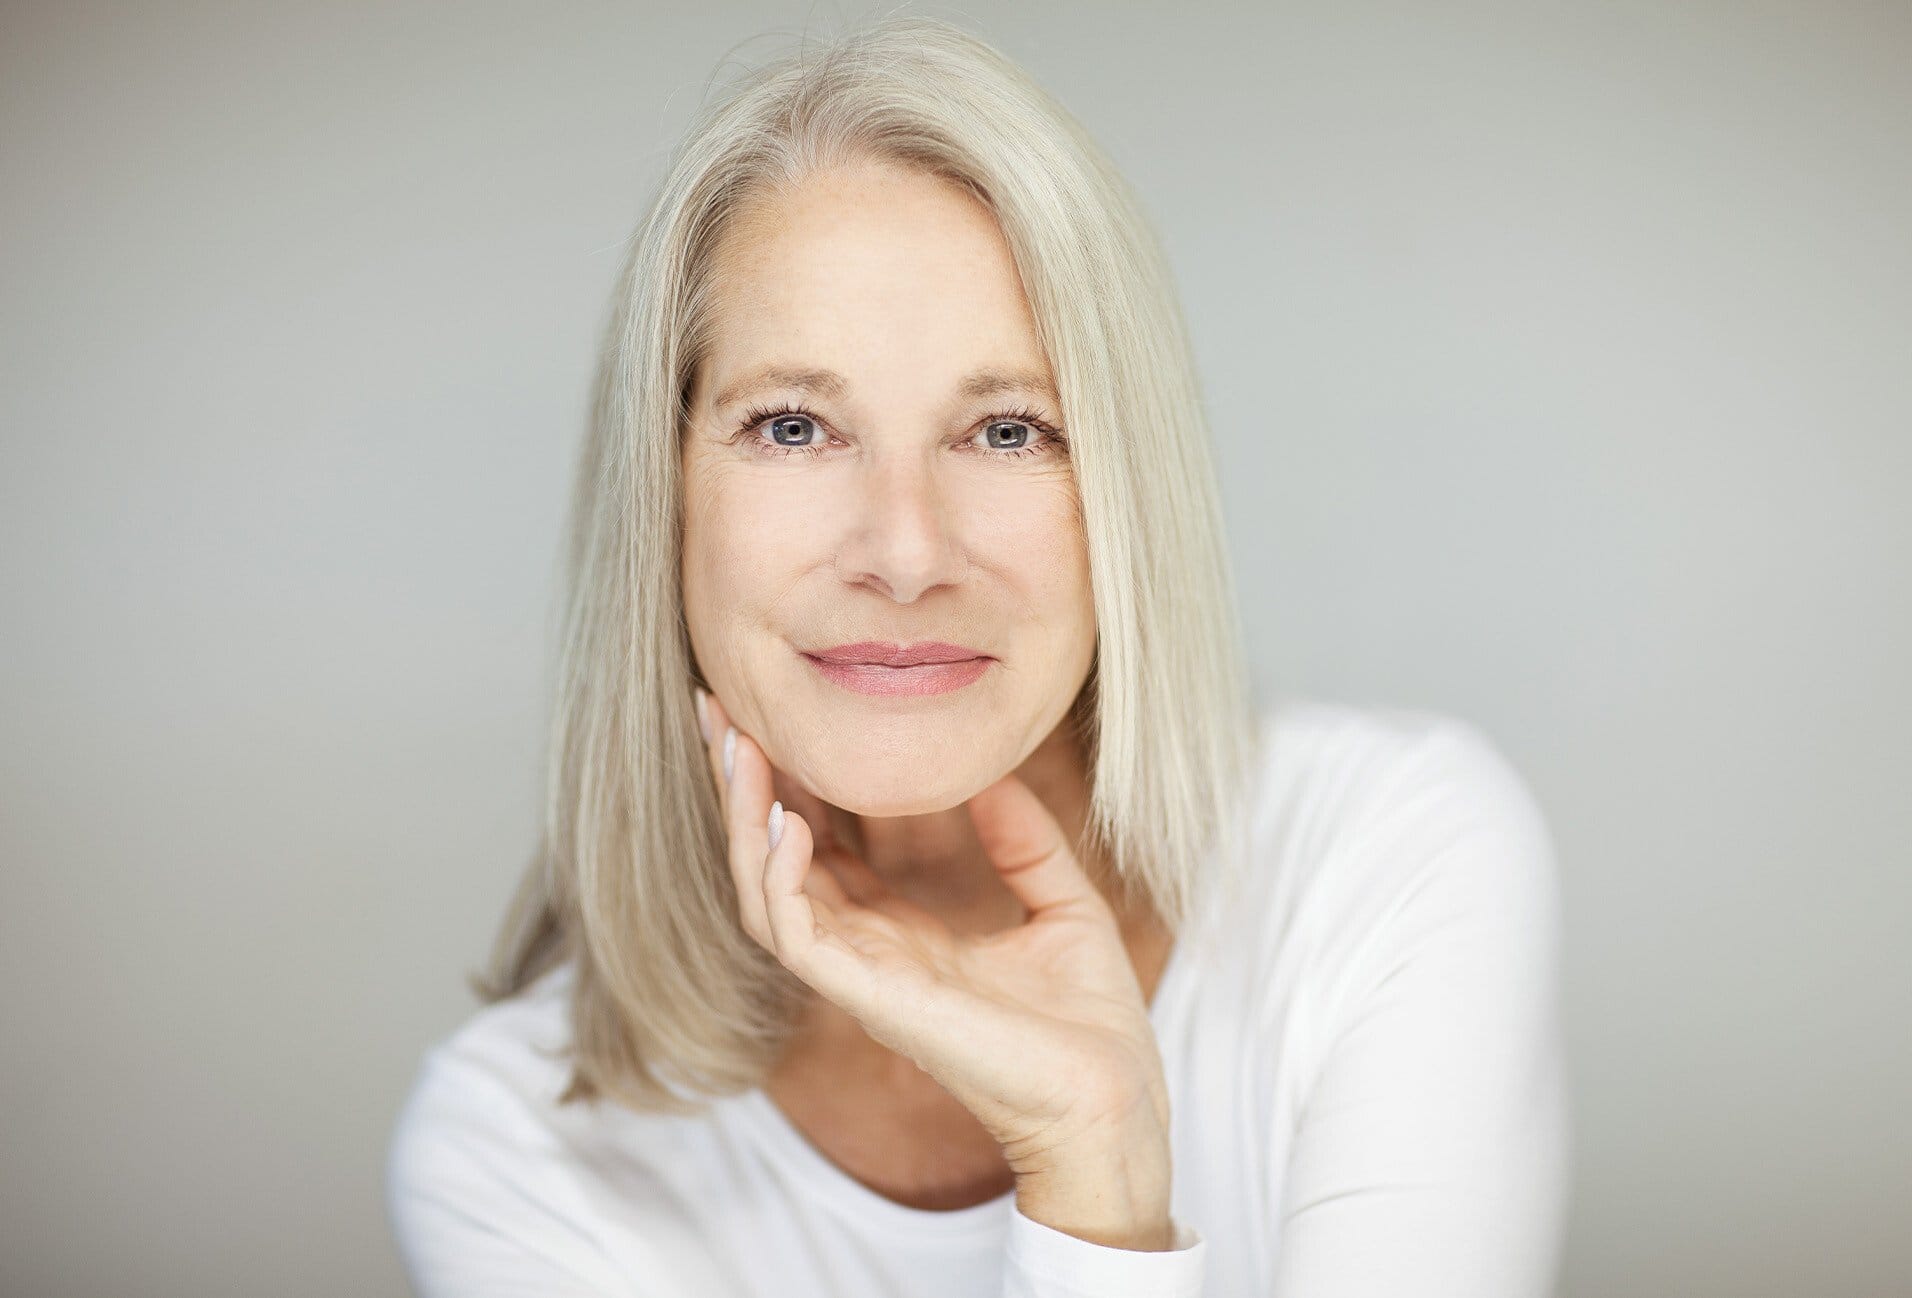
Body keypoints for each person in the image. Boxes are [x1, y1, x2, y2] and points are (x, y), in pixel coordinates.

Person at [385, 15, 1571, 1297]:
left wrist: (1092, 1165)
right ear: (664, 497)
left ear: (1125, 487)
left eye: (1007, 430)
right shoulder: (519, 1150)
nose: (904, 551)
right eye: (793, 425)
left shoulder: (1381, 858)